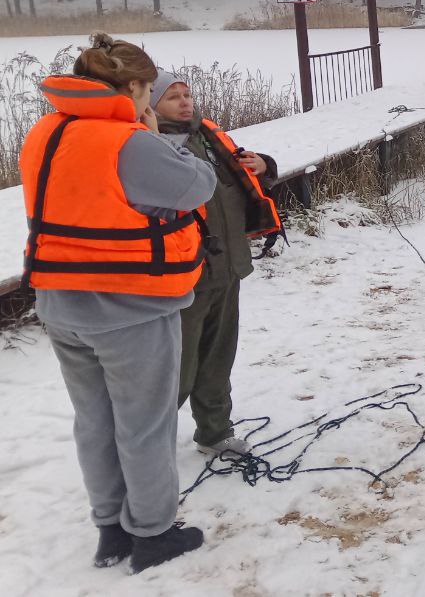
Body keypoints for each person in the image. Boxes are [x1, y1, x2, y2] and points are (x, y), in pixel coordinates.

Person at [19, 34, 216, 572]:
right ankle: (152, 534)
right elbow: (198, 186)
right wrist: (155, 137)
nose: (150, 101)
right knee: (144, 423)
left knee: (94, 420)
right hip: (130, 305)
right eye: (148, 90)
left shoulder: (46, 130)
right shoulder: (129, 141)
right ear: (132, 86)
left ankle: (110, 529)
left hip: (60, 301)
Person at [151, 70, 281, 458]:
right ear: (151, 104)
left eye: (187, 94)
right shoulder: (148, 145)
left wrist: (264, 165)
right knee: (178, 369)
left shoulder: (206, 135)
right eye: (172, 96)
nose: (184, 101)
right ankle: (145, 449)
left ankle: (215, 431)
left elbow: (241, 180)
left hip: (226, 266)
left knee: (218, 358)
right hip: (185, 276)